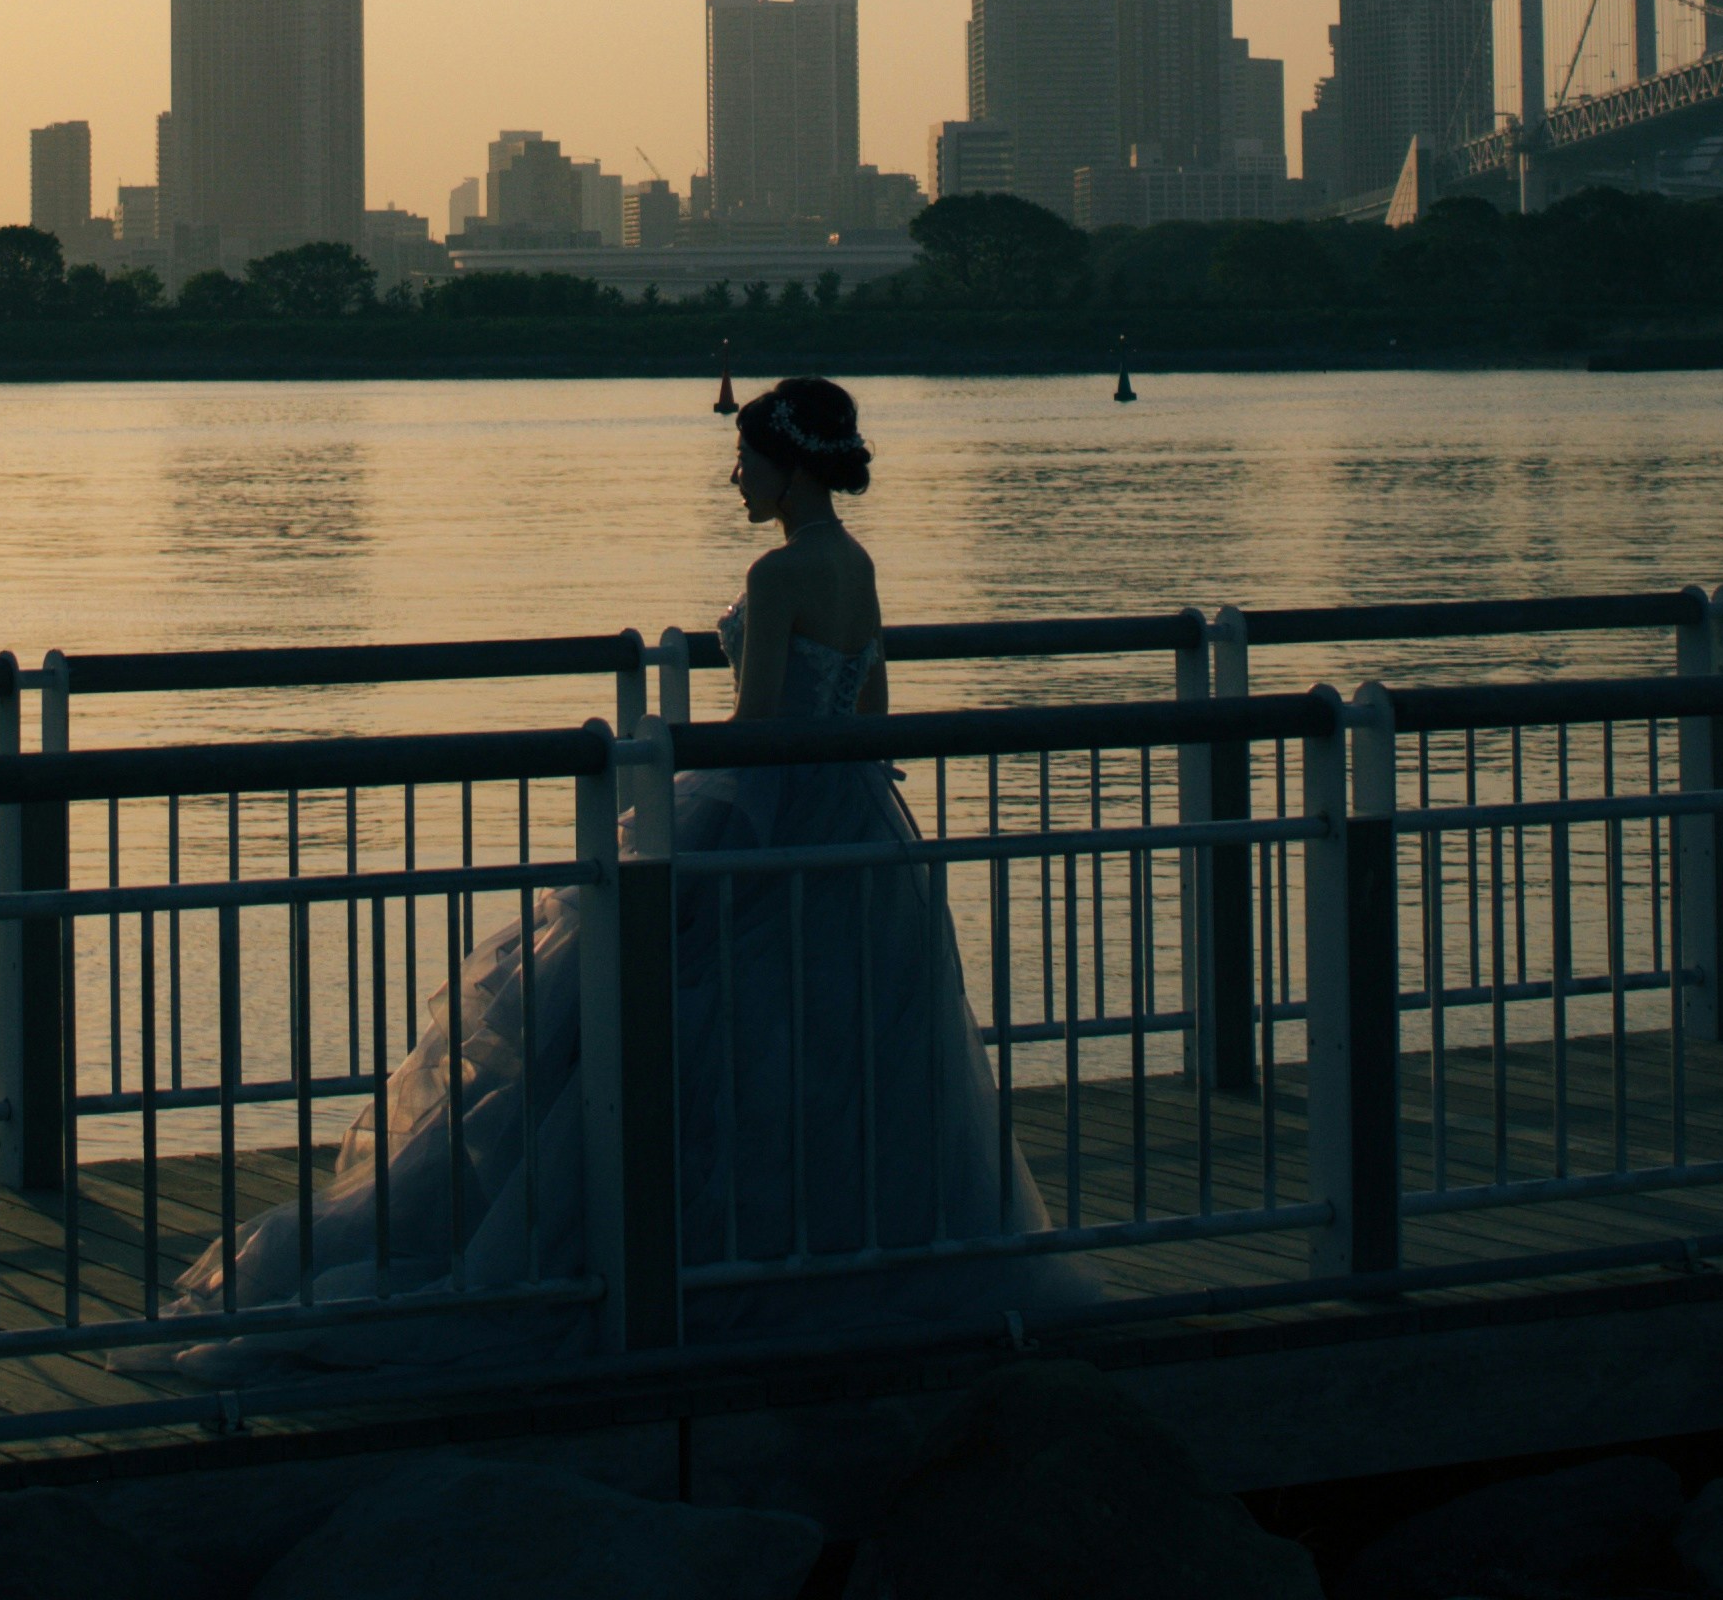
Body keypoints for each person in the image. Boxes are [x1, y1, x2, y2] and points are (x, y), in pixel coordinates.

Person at [161, 378, 1086, 1372]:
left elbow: (761, 724)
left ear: (792, 466)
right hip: (854, 817)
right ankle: (837, 1249)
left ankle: (641, 1258)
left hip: (770, 813)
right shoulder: (855, 564)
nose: (736, 477)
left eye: (747, 461)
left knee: (653, 1018)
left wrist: (661, 766)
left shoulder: (777, 577)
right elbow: (873, 712)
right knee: (830, 1050)